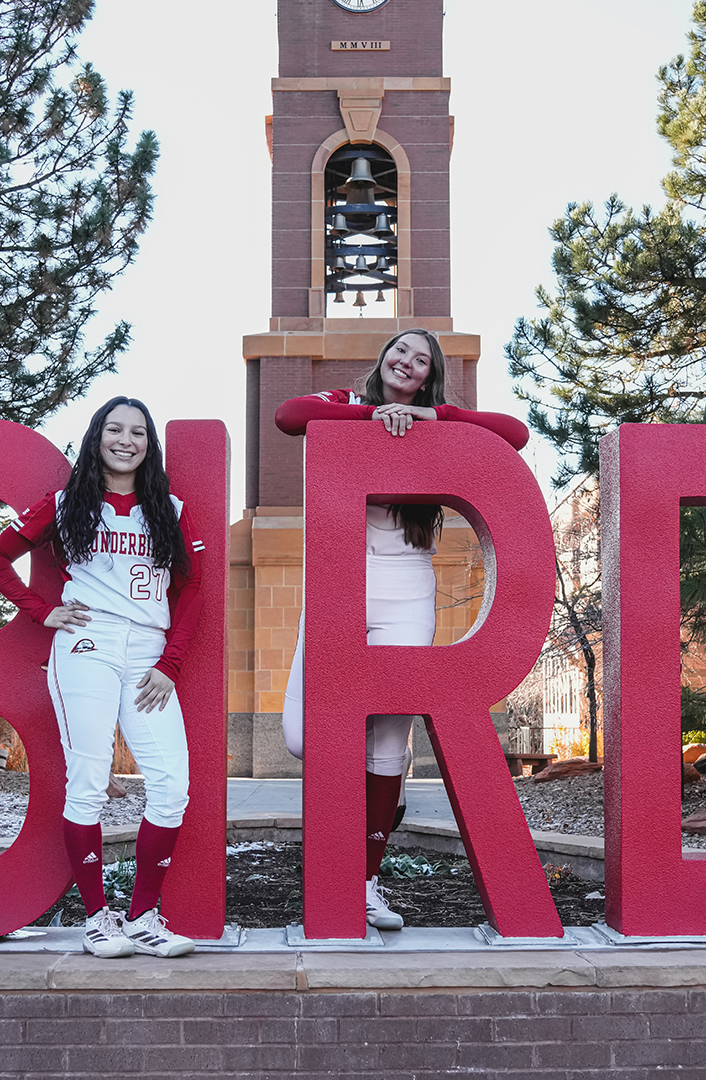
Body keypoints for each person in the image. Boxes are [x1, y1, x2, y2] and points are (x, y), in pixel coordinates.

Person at [273, 328, 529, 931]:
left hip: (407, 586)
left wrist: (428, 417)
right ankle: (345, 850)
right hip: (340, 580)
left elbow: (513, 434)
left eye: (422, 360)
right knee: (303, 736)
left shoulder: (438, 420)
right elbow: (289, 415)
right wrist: (371, 418)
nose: (408, 363)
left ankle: (362, 879)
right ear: (383, 356)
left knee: (387, 743)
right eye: (401, 351)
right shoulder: (344, 406)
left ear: (430, 375)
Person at [0, 397, 207, 958]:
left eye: (137, 432)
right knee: (88, 780)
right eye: (114, 429)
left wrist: (170, 663)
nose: (125, 440)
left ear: (149, 444)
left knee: (172, 787)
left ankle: (144, 917)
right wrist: (41, 610)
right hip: (88, 645)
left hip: (148, 654)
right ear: (97, 437)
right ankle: (98, 919)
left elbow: (195, 590)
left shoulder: (171, 510)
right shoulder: (66, 504)